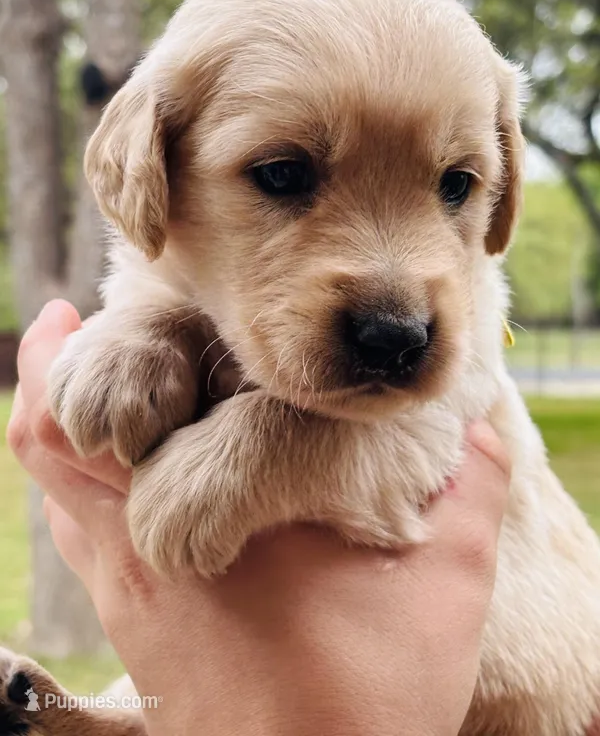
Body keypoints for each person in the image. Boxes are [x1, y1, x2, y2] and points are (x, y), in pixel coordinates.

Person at [8, 300, 513, 736]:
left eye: (454, 187)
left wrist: (259, 451)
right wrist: (154, 330)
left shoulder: (465, 320)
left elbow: (428, 444)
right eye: (281, 179)